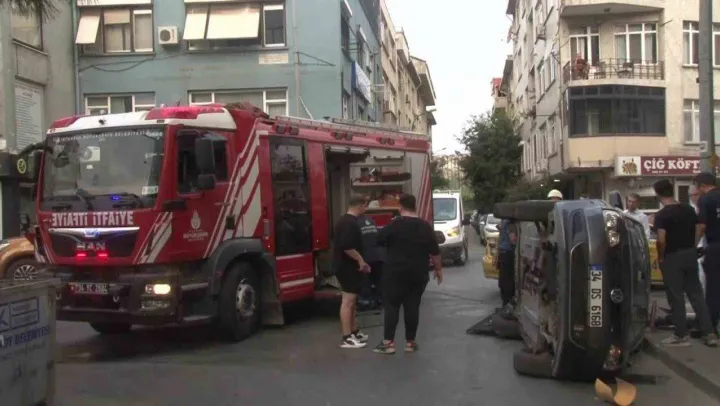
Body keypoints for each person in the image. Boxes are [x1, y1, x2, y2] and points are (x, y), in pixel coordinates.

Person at [373, 194, 442, 354]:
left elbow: (379, 240)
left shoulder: (393, 225)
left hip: (394, 273)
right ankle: (410, 343)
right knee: (412, 306)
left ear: (400, 207)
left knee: (392, 306)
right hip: (417, 273)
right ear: (414, 206)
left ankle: (388, 343)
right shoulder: (424, 226)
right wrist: (438, 269)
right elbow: (435, 251)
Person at [653, 179, 717, 347]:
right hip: (690, 254)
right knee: (696, 294)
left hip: (672, 256)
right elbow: (699, 228)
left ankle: (681, 335)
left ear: (658, 194)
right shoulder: (688, 209)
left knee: (676, 296)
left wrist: (661, 256)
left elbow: (661, 239)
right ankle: (709, 333)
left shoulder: (662, 215)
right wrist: (693, 246)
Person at [332, 195, 372, 349]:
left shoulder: (347, 221)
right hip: (346, 267)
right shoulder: (348, 223)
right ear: (360, 205)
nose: (366, 209)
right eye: (366, 206)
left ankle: (354, 331)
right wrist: (361, 260)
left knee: (353, 300)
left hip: (349, 266)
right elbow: (347, 247)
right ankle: (347, 337)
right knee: (348, 301)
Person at [694, 172, 720, 335]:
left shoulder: (705, 200)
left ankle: (710, 328)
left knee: (713, 288)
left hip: (715, 247)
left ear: (702, 186)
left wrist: (694, 245)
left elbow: (701, 226)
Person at [357, 211, 385, 310]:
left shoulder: (355, 223)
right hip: (378, 255)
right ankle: (380, 300)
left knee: (365, 280)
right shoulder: (371, 220)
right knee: (378, 280)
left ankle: (366, 302)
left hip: (366, 255)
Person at [496, 218, 518, 307]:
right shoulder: (510, 223)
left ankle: (505, 302)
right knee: (508, 279)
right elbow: (513, 239)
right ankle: (508, 303)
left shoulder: (503, 221)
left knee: (503, 278)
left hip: (502, 252)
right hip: (508, 253)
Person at [690, 185, 707, 292]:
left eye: (696, 195)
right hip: (696, 248)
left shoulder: (707, 207)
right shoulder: (690, 211)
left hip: (706, 245)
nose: (693, 198)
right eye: (691, 195)